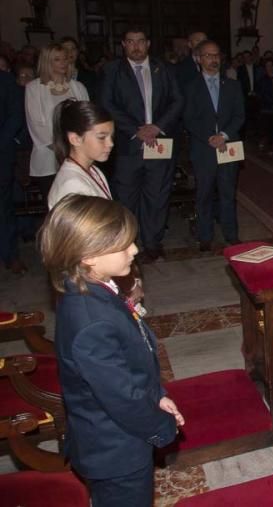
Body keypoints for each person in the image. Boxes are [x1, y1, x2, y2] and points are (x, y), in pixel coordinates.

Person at [40, 195, 183, 507]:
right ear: (89, 256)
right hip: (115, 450)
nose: (134, 250)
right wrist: (162, 427)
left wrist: (156, 393)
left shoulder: (93, 289)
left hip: (114, 438)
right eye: (123, 244)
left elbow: (128, 363)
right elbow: (121, 397)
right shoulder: (91, 320)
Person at [100, 26, 183, 263]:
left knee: (157, 196)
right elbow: (107, 104)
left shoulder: (163, 68)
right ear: (123, 45)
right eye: (130, 41)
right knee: (127, 199)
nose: (136, 46)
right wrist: (137, 129)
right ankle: (128, 245)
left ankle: (153, 243)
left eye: (140, 41)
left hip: (159, 142)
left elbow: (177, 100)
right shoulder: (112, 70)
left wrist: (156, 127)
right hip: (129, 146)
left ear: (148, 44)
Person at [183, 40, 245, 251]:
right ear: (199, 59)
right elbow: (189, 118)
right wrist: (210, 136)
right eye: (208, 56)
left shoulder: (233, 86)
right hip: (204, 148)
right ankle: (205, 236)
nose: (213, 60)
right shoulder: (191, 87)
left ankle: (231, 234)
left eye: (216, 55)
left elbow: (239, 115)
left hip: (228, 146)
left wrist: (224, 135)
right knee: (204, 194)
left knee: (228, 192)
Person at [26, 42, 90, 201]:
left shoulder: (78, 87)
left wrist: (77, 149)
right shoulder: (34, 88)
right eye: (57, 59)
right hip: (48, 157)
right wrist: (61, 149)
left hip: (77, 155)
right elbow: (36, 125)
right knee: (54, 206)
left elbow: (87, 119)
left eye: (65, 59)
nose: (63, 63)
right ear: (47, 62)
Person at [48, 100, 114, 206]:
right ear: (75, 139)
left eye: (111, 137)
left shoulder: (93, 169)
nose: (111, 143)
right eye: (102, 137)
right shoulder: (72, 186)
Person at [0, 68, 26, 274]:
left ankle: (10, 254)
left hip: (1, 152)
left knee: (3, 207)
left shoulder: (5, 79)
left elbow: (15, 115)